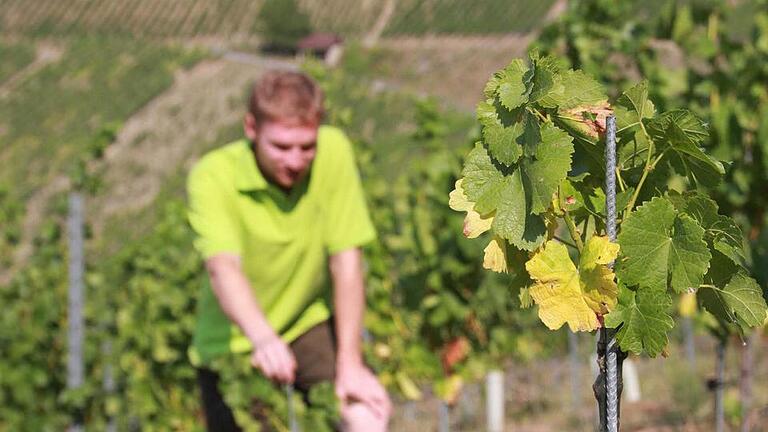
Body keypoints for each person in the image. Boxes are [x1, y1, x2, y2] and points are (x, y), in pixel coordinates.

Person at [186, 70, 391, 431]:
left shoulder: (334, 151)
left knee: (367, 413)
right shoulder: (212, 175)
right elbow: (223, 267)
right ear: (251, 129)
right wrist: (262, 337)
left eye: (306, 146)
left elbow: (346, 260)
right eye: (281, 147)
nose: (295, 161)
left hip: (306, 321)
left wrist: (351, 363)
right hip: (233, 343)